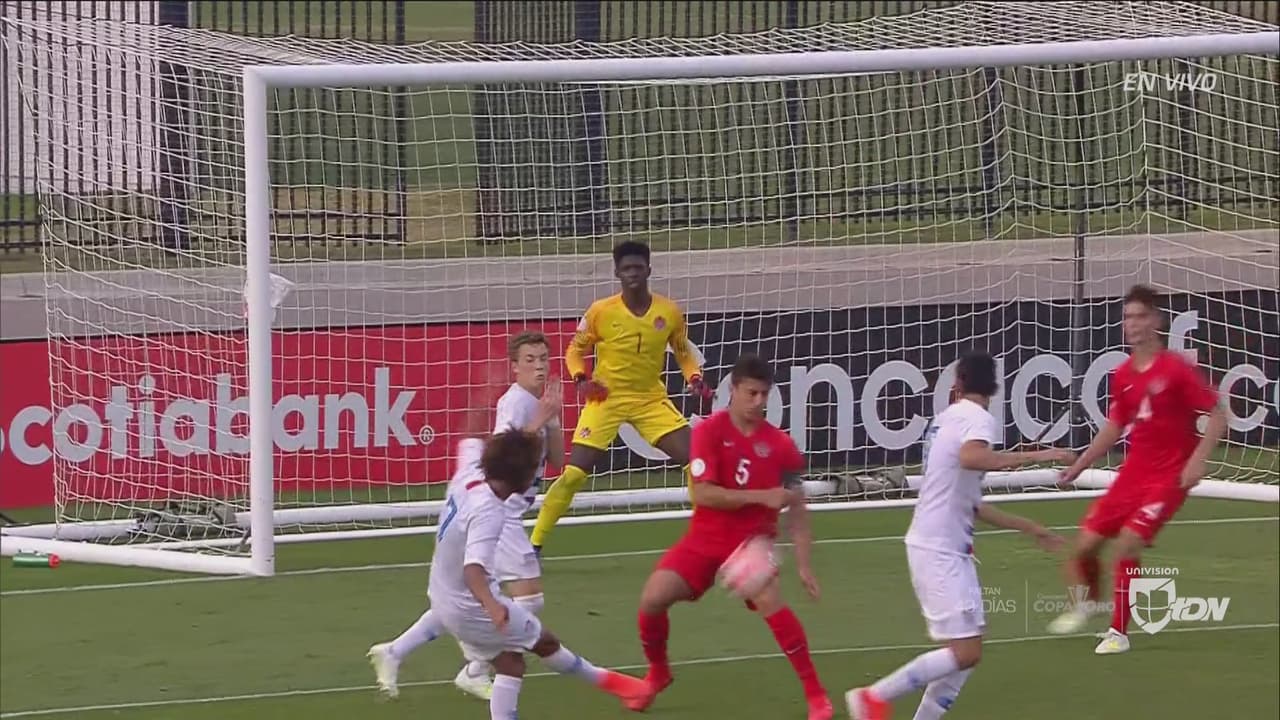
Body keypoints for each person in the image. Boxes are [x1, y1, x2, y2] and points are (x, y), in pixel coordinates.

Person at [846, 350, 1074, 720]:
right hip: (939, 549)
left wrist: (1029, 527)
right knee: (967, 651)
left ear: (958, 383)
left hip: (945, 546)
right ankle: (873, 696)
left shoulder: (946, 420)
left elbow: (970, 503)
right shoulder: (977, 419)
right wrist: (1040, 455)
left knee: (966, 654)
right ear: (995, 388)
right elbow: (972, 458)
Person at [630, 353, 834, 720]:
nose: (758, 402)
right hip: (704, 540)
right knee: (651, 599)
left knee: (770, 600)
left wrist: (805, 565)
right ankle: (658, 673)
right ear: (734, 390)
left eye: (764, 394)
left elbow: (797, 507)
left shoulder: (781, 445)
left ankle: (816, 695)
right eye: (752, 393)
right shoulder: (708, 432)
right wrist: (761, 496)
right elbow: (704, 493)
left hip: (751, 543)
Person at [368, 331, 564, 700]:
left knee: (459, 603)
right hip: (501, 512)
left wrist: (552, 420)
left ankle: (395, 651)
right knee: (529, 598)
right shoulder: (515, 403)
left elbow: (557, 460)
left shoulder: (540, 403)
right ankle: (476, 668)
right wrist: (539, 419)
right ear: (514, 367)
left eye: (543, 359)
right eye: (530, 360)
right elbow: (504, 454)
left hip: (514, 511)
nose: (539, 366)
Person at [400, 428, 648, 717]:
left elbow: (469, 438)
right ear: (519, 477)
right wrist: (492, 606)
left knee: (517, 658)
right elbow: (473, 570)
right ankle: (623, 686)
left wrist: (483, 407)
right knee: (525, 655)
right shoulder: (489, 512)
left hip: (442, 592)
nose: (536, 477)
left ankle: (624, 687)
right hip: (469, 605)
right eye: (534, 470)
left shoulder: (470, 472)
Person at [1048, 284, 1226, 654]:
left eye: (1140, 316)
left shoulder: (1176, 369)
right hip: (1133, 474)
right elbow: (1115, 426)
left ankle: (1118, 633)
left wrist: (1198, 459)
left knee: (1127, 543)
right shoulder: (1123, 373)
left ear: (1156, 321)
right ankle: (1090, 603)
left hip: (1169, 477)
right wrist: (1080, 463)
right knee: (1085, 547)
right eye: (1127, 317)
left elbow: (1218, 414)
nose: (1132, 324)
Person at [530, 240, 712, 554]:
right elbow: (575, 350)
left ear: (649, 270)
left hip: (649, 400)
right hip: (606, 399)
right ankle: (534, 543)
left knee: (697, 460)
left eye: (638, 268)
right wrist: (580, 378)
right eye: (626, 269)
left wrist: (694, 377)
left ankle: (705, 538)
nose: (633, 274)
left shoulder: (668, 312)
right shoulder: (601, 311)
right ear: (617, 273)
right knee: (574, 475)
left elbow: (683, 353)